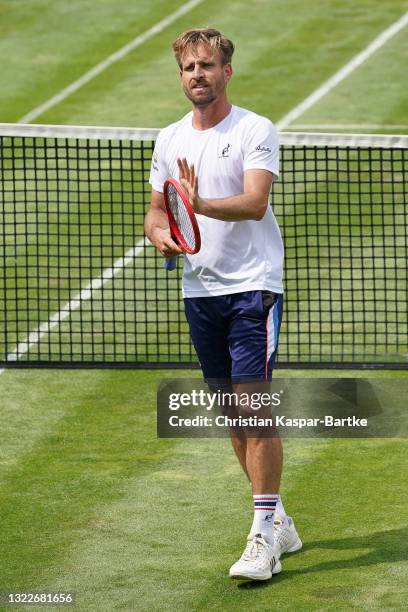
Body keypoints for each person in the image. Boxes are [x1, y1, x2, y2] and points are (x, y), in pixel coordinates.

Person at [145, 27, 302, 581]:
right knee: (231, 413)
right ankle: (277, 516)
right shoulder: (169, 139)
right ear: (181, 75)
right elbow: (158, 212)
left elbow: (256, 203)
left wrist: (200, 202)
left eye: (207, 65)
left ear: (226, 71)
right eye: (189, 67)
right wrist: (161, 234)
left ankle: (263, 539)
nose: (197, 75)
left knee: (252, 405)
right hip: (201, 289)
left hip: (253, 287)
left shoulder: (255, 128)